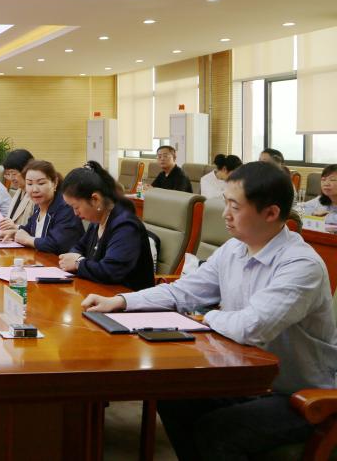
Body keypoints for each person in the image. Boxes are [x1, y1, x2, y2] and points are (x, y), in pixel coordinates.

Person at [81, 161, 337, 460]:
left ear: (270, 213)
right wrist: (122, 302)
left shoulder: (300, 265)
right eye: (225, 202)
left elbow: (251, 327)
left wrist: (205, 317)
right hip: (248, 378)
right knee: (172, 394)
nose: (225, 214)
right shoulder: (234, 249)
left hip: (299, 394)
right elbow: (183, 291)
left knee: (217, 431)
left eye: (235, 207)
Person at [57, 161, 155, 291]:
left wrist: (78, 263)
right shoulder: (97, 221)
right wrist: (71, 257)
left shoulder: (126, 226)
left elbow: (110, 271)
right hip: (100, 291)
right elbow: (79, 247)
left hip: (127, 297)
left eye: (76, 207)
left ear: (95, 199)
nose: (75, 213)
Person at [0, 160, 83, 254]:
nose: (34, 190)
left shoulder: (66, 207)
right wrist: (14, 233)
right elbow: (29, 229)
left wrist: (28, 240)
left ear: (55, 183)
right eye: (29, 184)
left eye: (41, 183)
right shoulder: (38, 206)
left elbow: (57, 244)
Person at [2, 149, 36, 226]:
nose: (11, 178)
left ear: (27, 170)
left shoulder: (36, 196)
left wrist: (15, 227)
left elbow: (35, 228)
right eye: (8, 174)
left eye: (14, 174)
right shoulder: (19, 190)